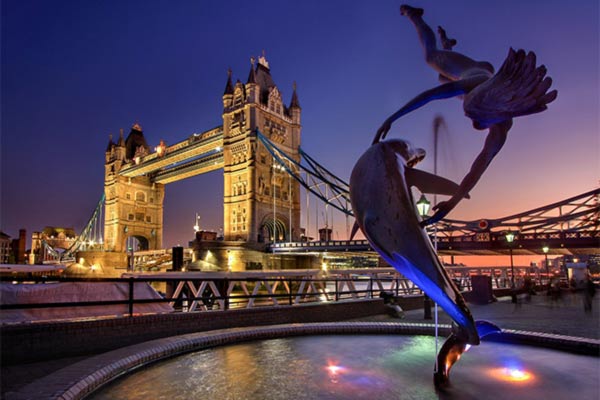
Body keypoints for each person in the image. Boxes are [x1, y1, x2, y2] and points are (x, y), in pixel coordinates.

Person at [374, 5, 557, 226]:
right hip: (469, 71)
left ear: (494, 115)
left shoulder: (501, 129)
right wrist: (392, 118)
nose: (474, 125)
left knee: (441, 78)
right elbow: (429, 96)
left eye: (476, 120)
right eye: (472, 118)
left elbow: (477, 169)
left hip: (478, 79)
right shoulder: (472, 85)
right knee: (431, 57)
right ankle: (416, 16)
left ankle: (447, 45)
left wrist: (452, 203)